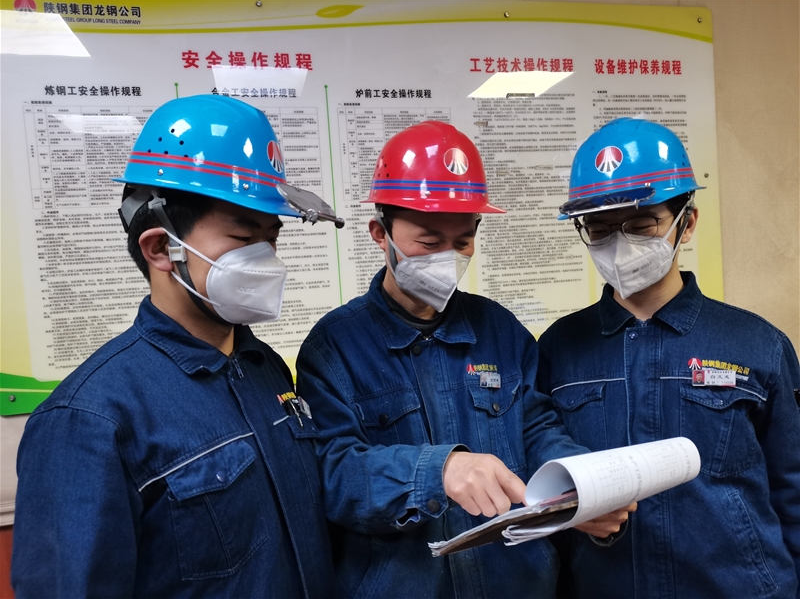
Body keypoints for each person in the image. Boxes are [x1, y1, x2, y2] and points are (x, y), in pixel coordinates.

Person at [12, 95, 336, 598]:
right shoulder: (89, 421)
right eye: (242, 238)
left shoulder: (263, 366)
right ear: (161, 247)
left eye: (271, 239)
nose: (266, 260)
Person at [295, 120, 632, 598]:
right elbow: (334, 473)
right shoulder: (334, 347)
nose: (447, 258)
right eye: (429, 243)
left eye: (462, 242)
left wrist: (576, 480)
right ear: (380, 233)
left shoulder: (499, 329)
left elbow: (536, 428)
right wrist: (437, 472)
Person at [537, 117, 800, 598]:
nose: (619, 244)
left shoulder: (757, 344)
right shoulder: (559, 348)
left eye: (641, 225)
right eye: (598, 229)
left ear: (687, 222)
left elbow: (794, 488)